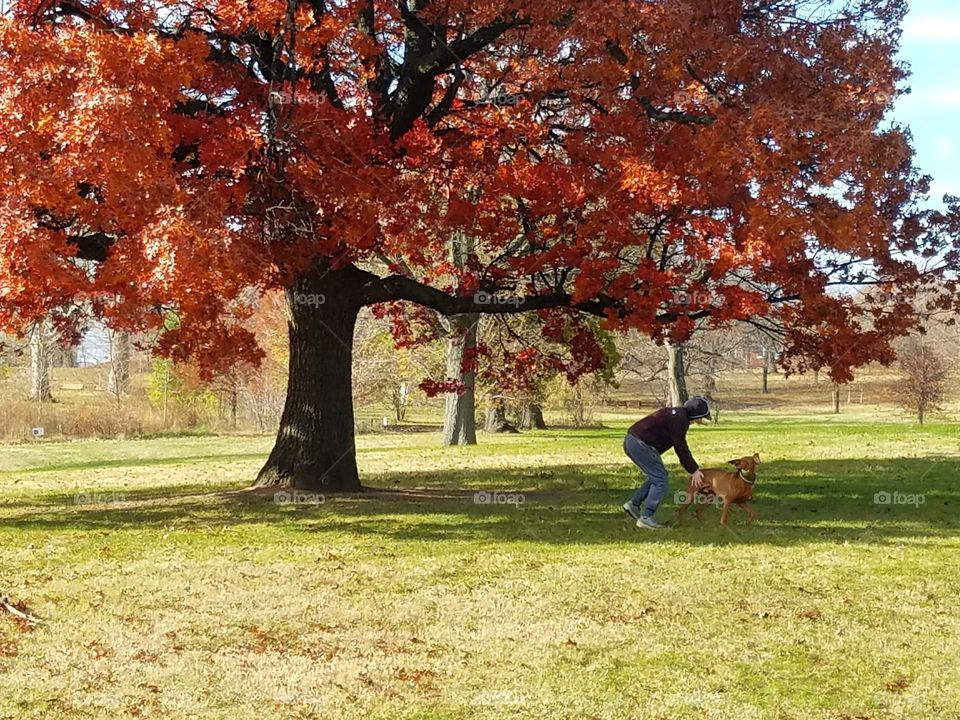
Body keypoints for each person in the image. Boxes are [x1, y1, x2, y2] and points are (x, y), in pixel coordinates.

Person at [622, 396, 711, 529]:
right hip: (640, 444)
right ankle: (646, 517)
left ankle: (634, 504)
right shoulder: (679, 420)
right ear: (696, 414)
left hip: (631, 440)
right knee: (661, 481)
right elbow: (680, 446)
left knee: (656, 477)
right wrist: (694, 470)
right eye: (701, 417)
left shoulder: (677, 415)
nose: (701, 421)